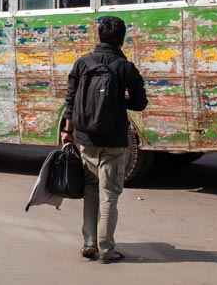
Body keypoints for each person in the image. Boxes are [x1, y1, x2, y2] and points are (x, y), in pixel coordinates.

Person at [62, 16, 147, 264]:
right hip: (114, 139)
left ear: (98, 36)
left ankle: (89, 243)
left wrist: (67, 132)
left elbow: (70, 100)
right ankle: (107, 249)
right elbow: (140, 103)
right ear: (122, 38)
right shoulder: (125, 67)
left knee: (90, 190)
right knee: (108, 194)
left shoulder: (82, 63)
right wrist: (122, 101)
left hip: (85, 138)